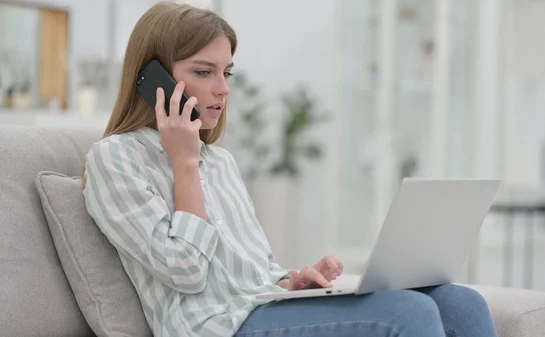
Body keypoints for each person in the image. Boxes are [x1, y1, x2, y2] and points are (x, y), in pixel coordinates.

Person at [81, 2, 499, 337]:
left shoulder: (221, 161)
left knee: (461, 302)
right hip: (215, 327)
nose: (223, 89)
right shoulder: (114, 159)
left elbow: (255, 271)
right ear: (153, 79)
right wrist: (185, 163)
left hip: (260, 307)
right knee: (408, 313)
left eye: (226, 73)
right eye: (203, 72)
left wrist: (292, 282)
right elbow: (187, 272)